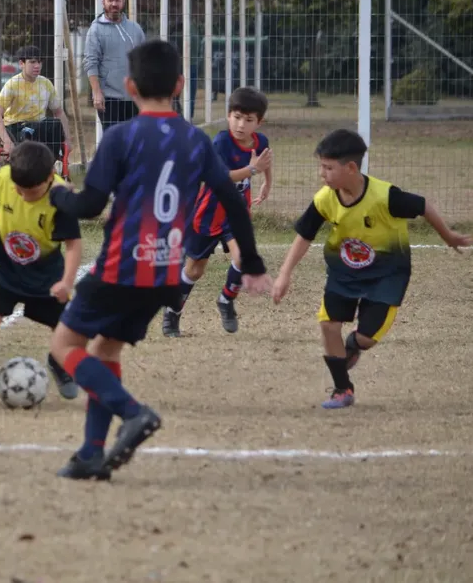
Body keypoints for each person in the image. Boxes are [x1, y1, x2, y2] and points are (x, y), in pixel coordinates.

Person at [46, 40, 272, 480]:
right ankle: (92, 453)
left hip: (120, 267)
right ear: (180, 85)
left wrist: (57, 194)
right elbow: (231, 198)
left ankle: (133, 413)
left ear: (128, 86)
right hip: (164, 271)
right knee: (105, 348)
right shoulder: (195, 140)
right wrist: (256, 263)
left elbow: (90, 205)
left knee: (64, 346)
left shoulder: (120, 137)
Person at [272, 129, 470, 409]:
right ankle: (342, 389)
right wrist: (284, 274)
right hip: (344, 272)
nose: (322, 174)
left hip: (387, 274)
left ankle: (354, 346)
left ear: (351, 168)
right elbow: (304, 235)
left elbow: (424, 206)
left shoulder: (385, 197)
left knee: (367, 337)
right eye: (321, 166)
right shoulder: (324, 199)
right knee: (328, 324)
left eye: (328, 168)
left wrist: (448, 236)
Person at [0, 141, 82, 411]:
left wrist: (66, 282)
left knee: (74, 331)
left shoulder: (61, 197)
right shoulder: (3, 178)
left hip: (46, 274)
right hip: (3, 268)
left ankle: (58, 363)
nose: (23, 196)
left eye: (31, 192)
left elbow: (72, 245)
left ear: (49, 178)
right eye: (19, 190)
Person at [163, 87, 273, 337]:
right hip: (209, 213)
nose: (241, 124)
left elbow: (266, 159)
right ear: (228, 115)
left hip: (236, 214)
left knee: (242, 256)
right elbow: (220, 178)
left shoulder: (261, 142)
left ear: (259, 122)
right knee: (194, 270)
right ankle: (172, 312)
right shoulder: (221, 142)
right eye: (236, 117)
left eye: (248, 120)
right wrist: (252, 171)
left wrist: (267, 181)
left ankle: (225, 299)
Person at [0, 45, 73, 176]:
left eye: (39, 62)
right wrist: (7, 141)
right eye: (32, 62)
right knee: (36, 129)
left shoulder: (45, 84)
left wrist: (68, 138)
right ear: (21, 64)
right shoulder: (13, 84)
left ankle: (51, 164)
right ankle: (44, 168)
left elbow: (59, 112)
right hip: (16, 128)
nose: (37, 66)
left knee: (53, 124)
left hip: (39, 125)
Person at [83, 0, 146, 130]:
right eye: (110, 0)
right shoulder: (96, 30)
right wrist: (97, 92)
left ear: (123, 3)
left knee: (135, 142)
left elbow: (144, 60)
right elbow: (90, 62)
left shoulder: (135, 29)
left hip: (134, 97)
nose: (114, 4)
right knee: (115, 144)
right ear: (103, 3)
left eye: (117, 0)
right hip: (109, 98)